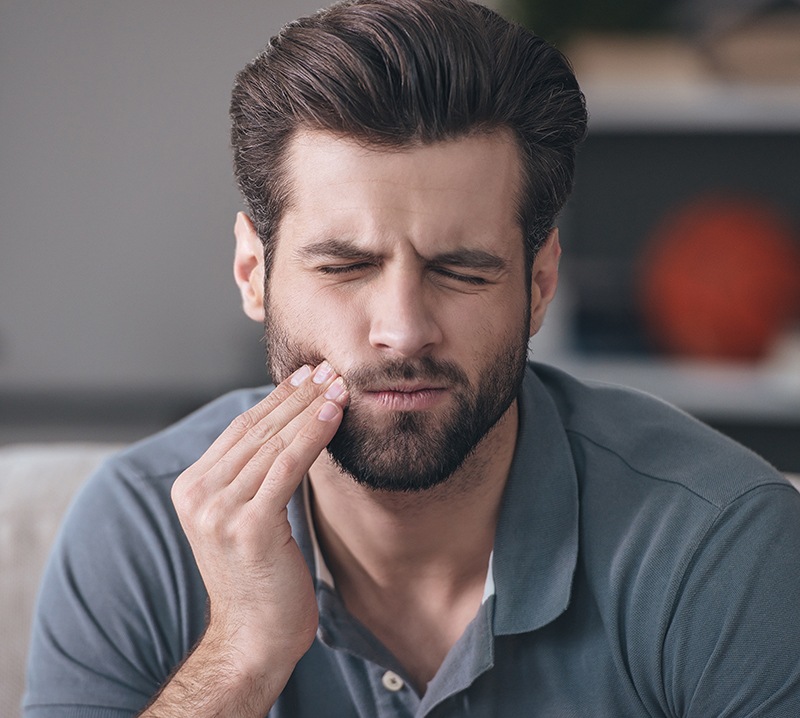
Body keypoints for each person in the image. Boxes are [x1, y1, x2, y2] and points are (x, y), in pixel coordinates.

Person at [24, 0, 800, 716]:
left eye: (461, 270)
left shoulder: (722, 546)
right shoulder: (135, 530)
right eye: (344, 267)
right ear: (252, 274)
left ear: (539, 285)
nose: (402, 330)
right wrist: (240, 660)